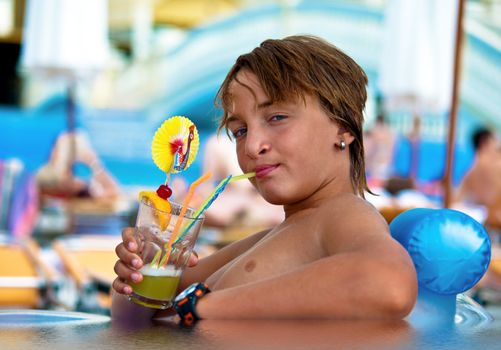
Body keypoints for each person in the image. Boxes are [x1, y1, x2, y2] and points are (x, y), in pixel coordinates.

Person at [111, 35, 417, 323]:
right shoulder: (279, 234)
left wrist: (200, 308)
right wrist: (142, 270)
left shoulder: (342, 215)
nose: (253, 146)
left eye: (277, 118)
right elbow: (135, 318)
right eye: (240, 130)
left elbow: (390, 284)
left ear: (343, 127)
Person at [36, 131, 121, 200]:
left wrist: (93, 163)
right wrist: (64, 149)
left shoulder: (78, 185)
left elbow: (114, 192)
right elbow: (59, 181)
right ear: (53, 151)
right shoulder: (43, 175)